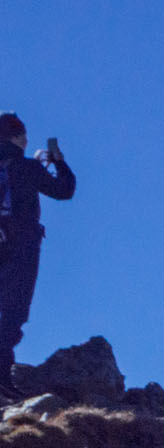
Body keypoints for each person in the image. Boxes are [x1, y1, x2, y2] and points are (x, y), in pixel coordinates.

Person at [0, 115, 77, 401]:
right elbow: (64, 190)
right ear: (17, 137)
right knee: (12, 312)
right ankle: (1, 379)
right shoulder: (26, 167)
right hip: (22, 245)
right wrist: (57, 161)